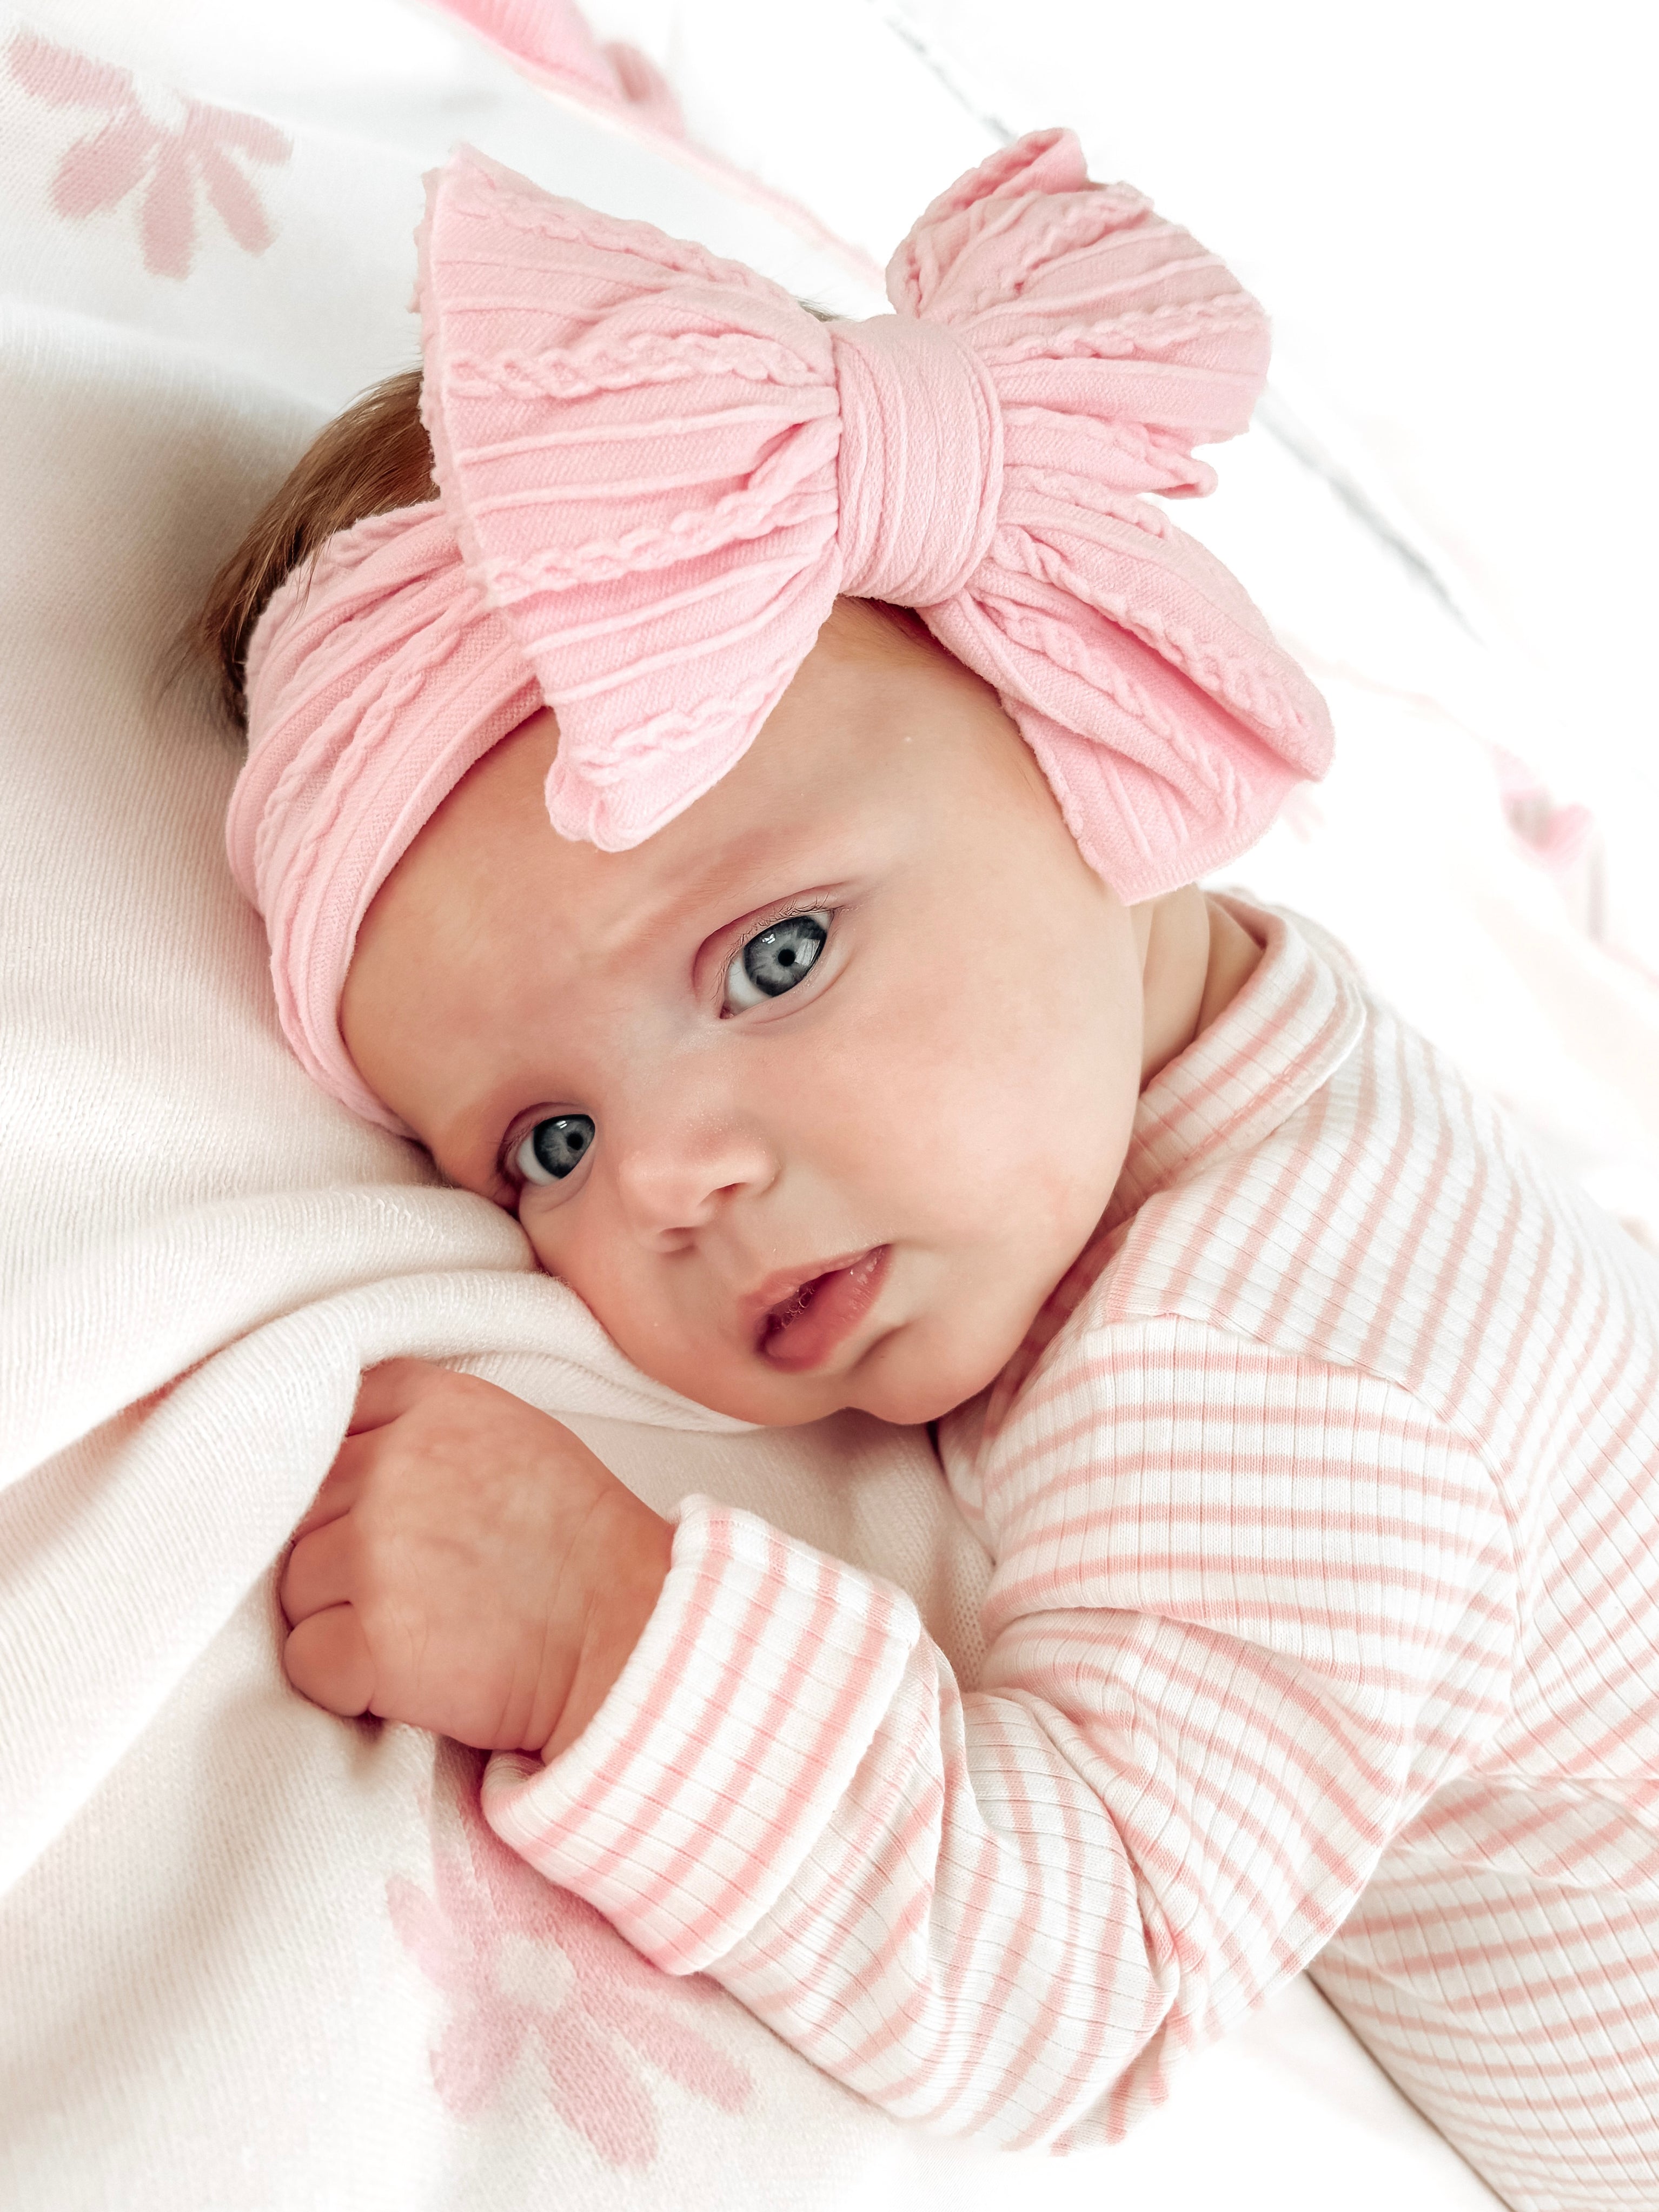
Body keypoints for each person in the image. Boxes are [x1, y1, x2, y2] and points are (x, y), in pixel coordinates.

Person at [198, 131, 1659, 2209]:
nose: (671, 1183)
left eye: (772, 958)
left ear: (1059, 724)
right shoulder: (1194, 1038)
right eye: (548, 1142)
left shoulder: (1280, 1375)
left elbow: (1080, 1980)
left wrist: (608, 1634)